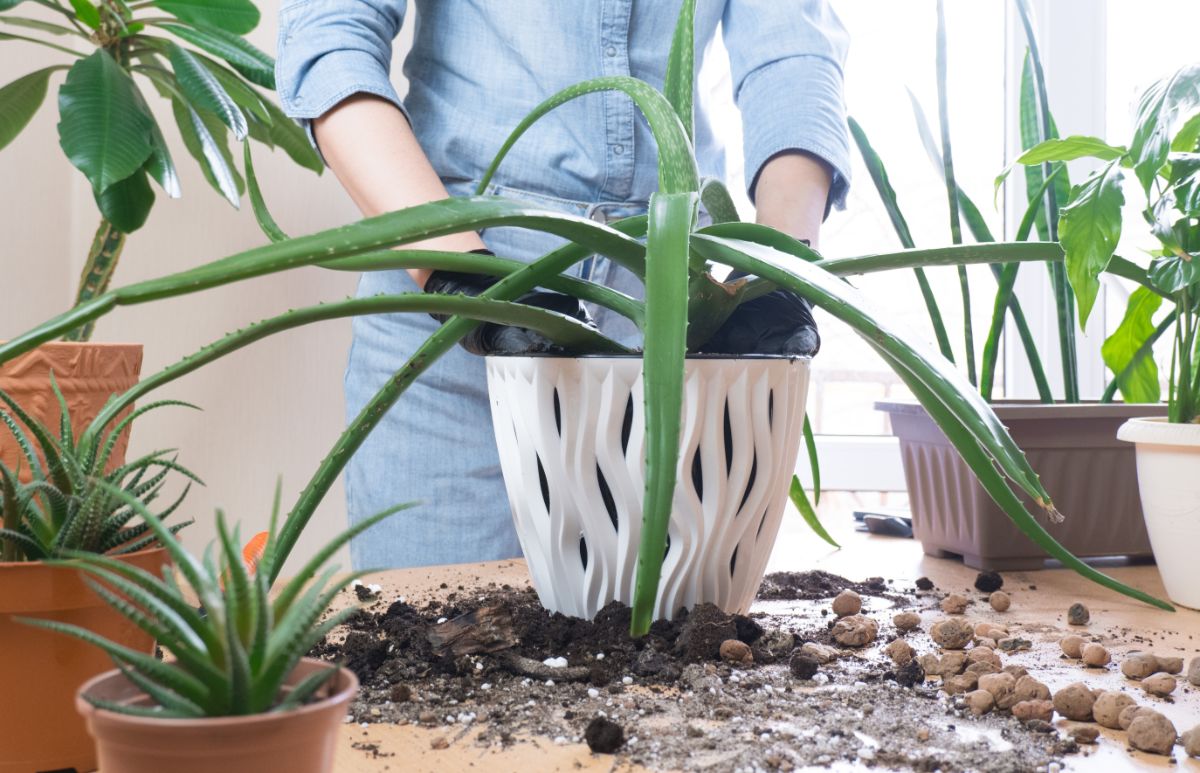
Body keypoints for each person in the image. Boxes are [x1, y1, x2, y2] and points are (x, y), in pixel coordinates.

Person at [276, 0, 850, 570]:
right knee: (435, 640)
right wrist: (458, 275)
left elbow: (792, 52)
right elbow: (330, 37)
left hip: (676, 312)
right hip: (460, 291)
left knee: (669, 643)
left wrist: (779, 266)